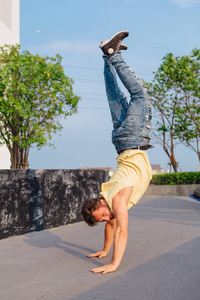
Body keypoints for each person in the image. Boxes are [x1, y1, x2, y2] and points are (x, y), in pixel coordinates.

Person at [81, 30, 153, 275]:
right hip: (122, 142)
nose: (105, 218)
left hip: (132, 139)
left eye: (100, 214)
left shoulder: (117, 199)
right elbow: (110, 228)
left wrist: (113, 263)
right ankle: (106, 58)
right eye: (101, 218)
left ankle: (112, 54)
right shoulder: (107, 196)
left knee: (140, 95)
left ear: (100, 203)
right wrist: (104, 249)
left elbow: (121, 230)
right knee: (114, 96)